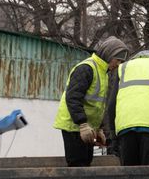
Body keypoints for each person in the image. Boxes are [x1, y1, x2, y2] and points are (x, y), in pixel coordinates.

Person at [53, 36, 129, 166]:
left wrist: (98, 128)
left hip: (86, 128)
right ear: (109, 54)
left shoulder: (102, 72)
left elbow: (97, 106)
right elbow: (73, 98)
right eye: (117, 60)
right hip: (74, 127)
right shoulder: (87, 68)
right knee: (78, 164)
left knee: (86, 162)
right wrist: (82, 124)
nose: (118, 65)